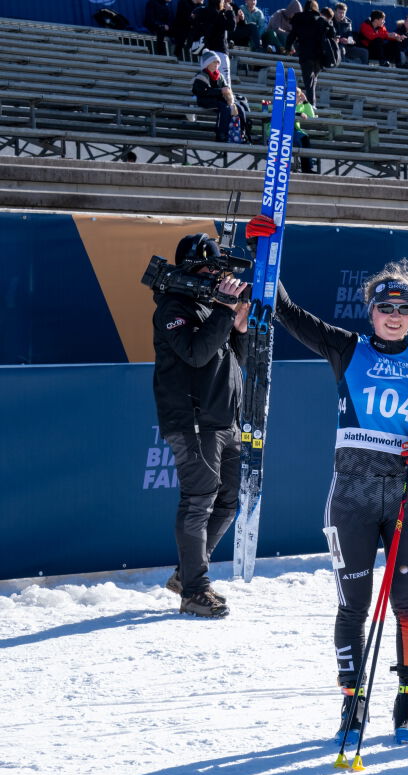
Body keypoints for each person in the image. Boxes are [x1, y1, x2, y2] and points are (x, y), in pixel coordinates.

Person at [261, 252, 408, 744]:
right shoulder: (347, 350)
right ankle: (353, 701)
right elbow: (287, 311)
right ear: (370, 311)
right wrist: (270, 254)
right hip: (351, 494)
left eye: (404, 310)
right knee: (354, 605)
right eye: (386, 308)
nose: (394, 316)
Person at [152, 233, 249, 619]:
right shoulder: (173, 308)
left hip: (224, 419)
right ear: (191, 269)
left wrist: (237, 326)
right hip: (193, 422)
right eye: (210, 269)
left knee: (229, 500)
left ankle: (188, 573)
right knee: (198, 501)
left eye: (219, 270)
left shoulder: (213, 308)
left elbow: (230, 359)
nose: (217, 276)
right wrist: (225, 309)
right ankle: (194, 590)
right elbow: (195, 354)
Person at [192, 50, 251, 142]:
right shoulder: (201, 76)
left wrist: (230, 100)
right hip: (205, 100)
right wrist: (220, 91)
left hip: (218, 99)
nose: (216, 64)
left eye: (217, 62)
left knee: (239, 107)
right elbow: (202, 92)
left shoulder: (220, 76)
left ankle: (242, 132)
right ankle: (221, 134)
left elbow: (226, 88)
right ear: (207, 63)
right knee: (225, 108)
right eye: (214, 62)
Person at [286, 0, 335, 107]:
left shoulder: (299, 18)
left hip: (305, 54)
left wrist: (288, 47)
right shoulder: (321, 19)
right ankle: (312, 105)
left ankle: (311, 105)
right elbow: (332, 33)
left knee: (309, 81)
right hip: (319, 55)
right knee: (313, 80)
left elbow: (292, 35)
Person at [193, 0, 236, 80]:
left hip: (206, 52)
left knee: (206, 81)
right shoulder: (220, 15)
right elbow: (231, 27)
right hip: (220, 52)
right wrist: (230, 11)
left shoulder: (202, 11)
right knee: (225, 84)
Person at [294, 88, 318, 173]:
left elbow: (311, 115)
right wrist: (299, 114)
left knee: (304, 138)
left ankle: (306, 168)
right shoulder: (283, 101)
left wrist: (305, 102)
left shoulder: (301, 105)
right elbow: (285, 111)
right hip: (281, 129)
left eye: (297, 94)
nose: (296, 96)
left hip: (294, 131)